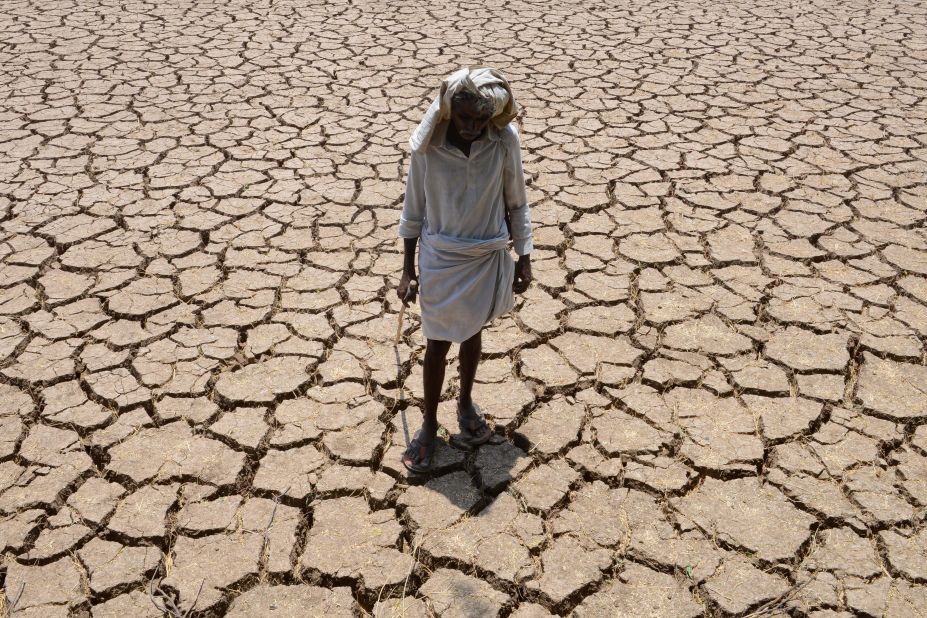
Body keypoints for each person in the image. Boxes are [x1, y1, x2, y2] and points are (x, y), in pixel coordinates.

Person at [396, 67, 533, 473]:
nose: (473, 126)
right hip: (441, 256)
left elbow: (517, 202)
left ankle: (466, 401)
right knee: (437, 343)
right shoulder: (429, 147)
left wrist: (524, 258)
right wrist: (408, 269)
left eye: (481, 119)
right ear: (449, 113)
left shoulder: (504, 140)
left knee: (473, 330)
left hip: (485, 253)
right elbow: (413, 210)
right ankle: (428, 424)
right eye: (465, 118)